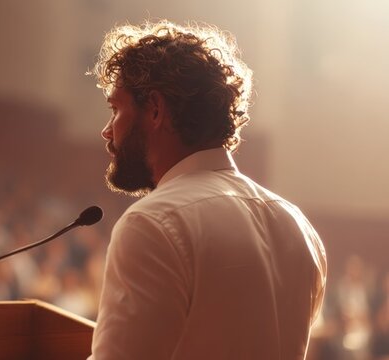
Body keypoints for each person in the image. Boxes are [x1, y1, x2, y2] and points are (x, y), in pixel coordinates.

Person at [88, 20, 327, 359]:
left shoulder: (153, 223)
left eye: (116, 109)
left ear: (154, 110)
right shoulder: (297, 225)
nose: (107, 131)